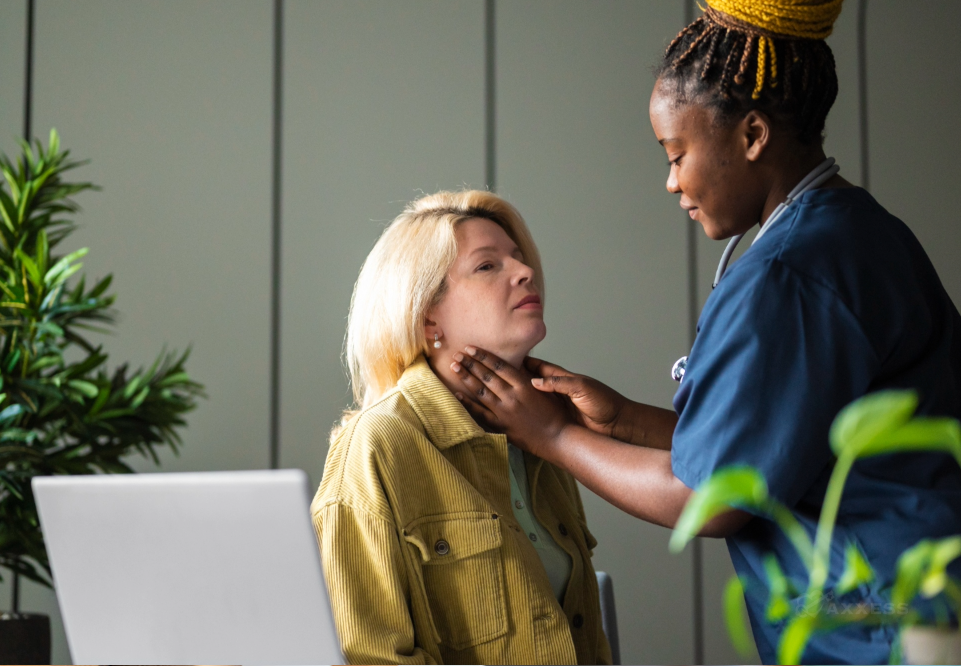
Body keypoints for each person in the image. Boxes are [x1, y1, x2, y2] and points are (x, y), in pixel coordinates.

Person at [447, 1, 961, 664]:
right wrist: (624, 419)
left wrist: (552, 436)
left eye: (677, 153)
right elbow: (785, 450)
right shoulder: (858, 231)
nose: (670, 182)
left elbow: (714, 502)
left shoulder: (789, 275)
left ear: (750, 136)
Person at [311, 190, 611, 665]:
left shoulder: (542, 440)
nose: (525, 271)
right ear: (428, 314)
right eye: (487, 266)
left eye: (517, 257)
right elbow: (366, 658)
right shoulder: (377, 445)